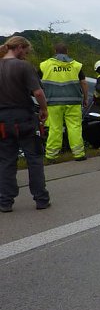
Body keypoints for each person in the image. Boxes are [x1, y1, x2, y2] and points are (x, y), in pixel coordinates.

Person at [0, 36, 51, 211]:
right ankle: (41, 199)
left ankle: (5, 201)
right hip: (25, 118)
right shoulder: (23, 66)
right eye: (26, 52)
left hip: (3, 121)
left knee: (6, 160)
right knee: (34, 158)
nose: (26, 55)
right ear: (19, 47)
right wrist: (44, 109)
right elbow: (38, 93)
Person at [39, 42, 88, 162]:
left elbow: (37, 84)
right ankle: (79, 154)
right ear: (67, 52)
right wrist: (85, 98)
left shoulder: (44, 65)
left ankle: (51, 156)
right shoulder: (76, 65)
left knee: (55, 128)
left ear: (55, 52)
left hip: (53, 102)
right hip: (73, 102)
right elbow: (84, 83)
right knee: (75, 127)